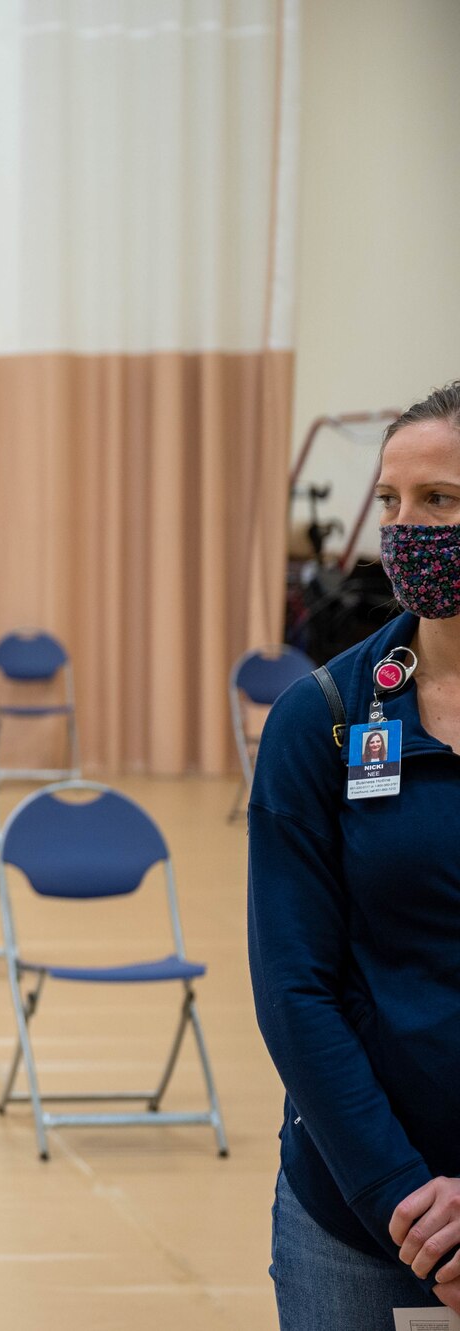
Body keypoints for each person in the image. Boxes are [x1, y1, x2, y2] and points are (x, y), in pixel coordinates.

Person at [250, 380, 460, 1326]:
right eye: (390, 501)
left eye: (440, 501)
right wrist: (405, 1201)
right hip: (361, 1220)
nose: (405, 528)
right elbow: (296, 986)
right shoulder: (325, 718)